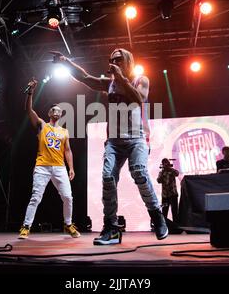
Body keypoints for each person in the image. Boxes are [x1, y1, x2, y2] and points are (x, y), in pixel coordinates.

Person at [51, 48, 168, 245]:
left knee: (139, 172)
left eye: (118, 59)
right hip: (114, 141)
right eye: (112, 59)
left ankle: (157, 215)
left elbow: (139, 99)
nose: (114, 62)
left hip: (135, 139)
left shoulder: (141, 79)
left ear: (128, 61)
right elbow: (85, 77)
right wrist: (65, 62)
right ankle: (112, 228)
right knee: (107, 177)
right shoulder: (110, 83)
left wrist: (121, 77)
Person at [18, 79, 80, 239]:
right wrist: (30, 92)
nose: (56, 111)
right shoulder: (42, 125)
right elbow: (29, 109)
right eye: (53, 109)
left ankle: (68, 224)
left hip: (59, 167)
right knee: (36, 197)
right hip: (42, 166)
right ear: (49, 113)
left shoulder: (64, 132)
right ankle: (26, 226)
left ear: (61, 114)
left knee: (68, 197)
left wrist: (71, 167)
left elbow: (68, 150)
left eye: (58, 110)